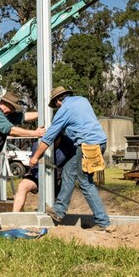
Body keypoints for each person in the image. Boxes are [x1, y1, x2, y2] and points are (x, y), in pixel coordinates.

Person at [29, 86, 111, 229]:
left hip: (87, 146)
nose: (56, 108)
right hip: (99, 143)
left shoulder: (63, 111)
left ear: (57, 101)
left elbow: (48, 138)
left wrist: (35, 157)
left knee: (85, 182)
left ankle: (103, 222)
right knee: (68, 171)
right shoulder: (82, 100)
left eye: (55, 106)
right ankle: (59, 211)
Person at [0, 90, 45, 230]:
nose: (13, 111)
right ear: (5, 104)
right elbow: (11, 130)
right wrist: (34, 133)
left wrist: (45, 112)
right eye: (12, 107)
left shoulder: (5, 114)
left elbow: (24, 116)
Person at [12, 135, 75, 212]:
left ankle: (54, 213)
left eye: (55, 141)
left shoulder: (68, 143)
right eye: (49, 141)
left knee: (56, 199)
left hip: (58, 178)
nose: (51, 143)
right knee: (22, 186)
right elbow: (35, 167)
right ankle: (15, 216)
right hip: (38, 175)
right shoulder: (37, 145)